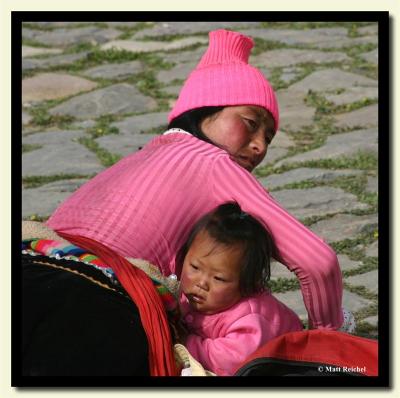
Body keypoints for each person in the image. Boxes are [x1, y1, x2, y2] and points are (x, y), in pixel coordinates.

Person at [46, 28, 344, 331]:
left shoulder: (137, 159)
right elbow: (318, 262)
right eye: (250, 123)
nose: (260, 146)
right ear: (204, 109)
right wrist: (331, 336)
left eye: (268, 137)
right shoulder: (216, 165)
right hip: (96, 298)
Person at [177, 202, 303, 376]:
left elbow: (230, 361)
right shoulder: (187, 295)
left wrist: (186, 344)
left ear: (247, 285)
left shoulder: (248, 319)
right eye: (195, 267)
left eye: (218, 278)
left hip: (287, 364)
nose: (202, 283)